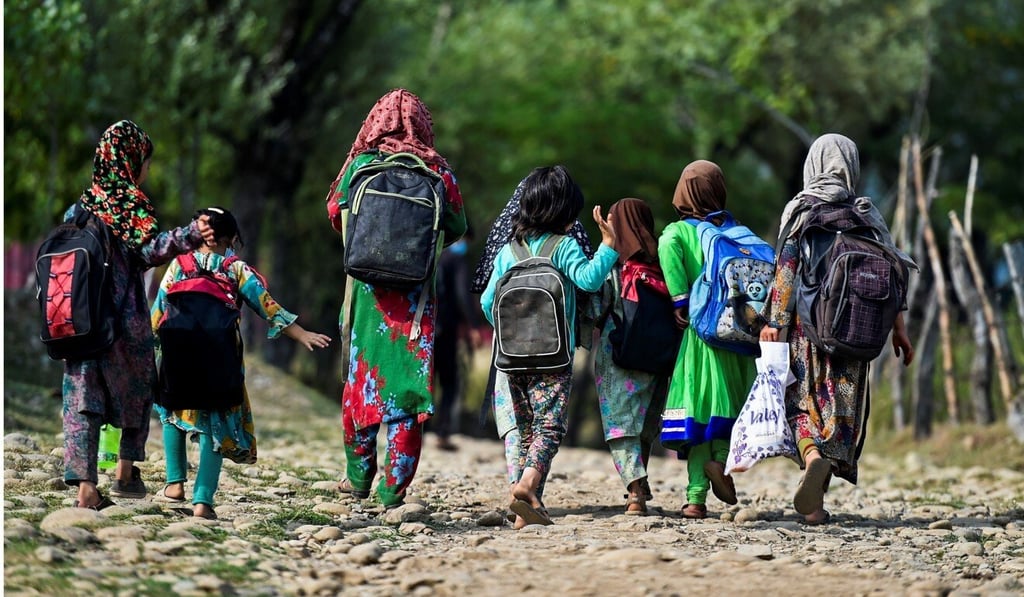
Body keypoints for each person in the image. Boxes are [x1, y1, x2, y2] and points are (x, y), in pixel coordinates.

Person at [61, 119, 217, 509]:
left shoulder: (79, 207)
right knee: (137, 387)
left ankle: (84, 486)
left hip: (77, 318)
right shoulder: (129, 204)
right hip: (120, 321)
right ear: (131, 161)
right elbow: (150, 251)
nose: (146, 169)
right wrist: (191, 234)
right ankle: (126, 472)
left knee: (82, 398)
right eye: (145, 161)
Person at [760, 133, 915, 525]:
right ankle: (817, 499)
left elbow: (786, 271)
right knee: (839, 413)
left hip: (807, 332)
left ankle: (811, 462)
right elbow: (894, 276)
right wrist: (900, 330)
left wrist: (775, 323)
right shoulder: (867, 215)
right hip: (856, 333)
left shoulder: (802, 212)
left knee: (800, 404)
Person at [327, 89, 467, 508]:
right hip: (415, 303)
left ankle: (357, 478)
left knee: (361, 385)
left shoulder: (359, 166)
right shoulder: (440, 173)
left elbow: (335, 214)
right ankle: (393, 491)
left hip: (365, 298)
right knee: (407, 395)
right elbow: (457, 227)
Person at [152, 207, 332, 519]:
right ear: (232, 238)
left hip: (178, 354)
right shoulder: (236, 270)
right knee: (215, 421)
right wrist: (301, 333)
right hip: (220, 358)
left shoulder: (178, 265)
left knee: (172, 411)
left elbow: (158, 312)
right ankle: (202, 502)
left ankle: (174, 484)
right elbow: (267, 306)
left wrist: (149, 348)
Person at [481, 165, 618, 527]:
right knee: (550, 427)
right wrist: (608, 247)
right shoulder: (564, 246)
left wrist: (511, 331)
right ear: (564, 212)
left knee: (526, 427)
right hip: (554, 355)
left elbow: (485, 303)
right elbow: (589, 280)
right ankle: (527, 483)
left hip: (511, 358)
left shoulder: (508, 252)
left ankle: (526, 505)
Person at [657, 160, 757, 519]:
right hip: (741, 338)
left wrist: (680, 300)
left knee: (699, 413)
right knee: (728, 410)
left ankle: (695, 498)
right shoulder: (738, 232)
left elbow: (668, 250)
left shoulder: (678, 233)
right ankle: (721, 463)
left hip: (701, 337)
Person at [588, 198, 669, 515]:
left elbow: (596, 309)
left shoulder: (614, 266)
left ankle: (635, 492)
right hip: (657, 358)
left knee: (621, 424)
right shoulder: (663, 263)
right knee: (645, 424)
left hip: (617, 355)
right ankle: (640, 479)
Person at [432, 225, 482, 451]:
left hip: (425, 326)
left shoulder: (433, 255)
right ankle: (442, 432)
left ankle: (414, 428)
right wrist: (473, 326)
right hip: (447, 327)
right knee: (449, 381)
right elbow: (462, 293)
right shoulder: (457, 260)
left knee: (426, 378)